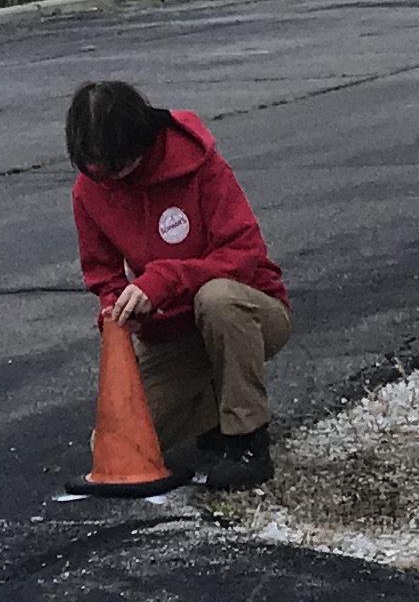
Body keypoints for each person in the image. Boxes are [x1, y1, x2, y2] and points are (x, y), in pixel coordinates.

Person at [66, 77, 290, 489]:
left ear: (141, 138)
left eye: (118, 162)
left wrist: (164, 281)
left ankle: (247, 440)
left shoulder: (199, 164)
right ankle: (219, 406)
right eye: (98, 165)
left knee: (217, 299)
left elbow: (244, 252)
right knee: (116, 444)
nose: (111, 175)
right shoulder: (90, 190)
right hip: (174, 334)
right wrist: (117, 310)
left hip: (250, 311)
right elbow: (103, 275)